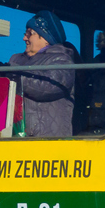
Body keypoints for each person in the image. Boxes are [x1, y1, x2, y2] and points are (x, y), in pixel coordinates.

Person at [8, 10, 76, 138]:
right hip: (16, 138)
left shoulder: (62, 60)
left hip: (47, 141)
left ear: (45, 38)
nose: (24, 38)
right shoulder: (16, 60)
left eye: (30, 34)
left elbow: (48, 86)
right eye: (25, 33)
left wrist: (17, 78)